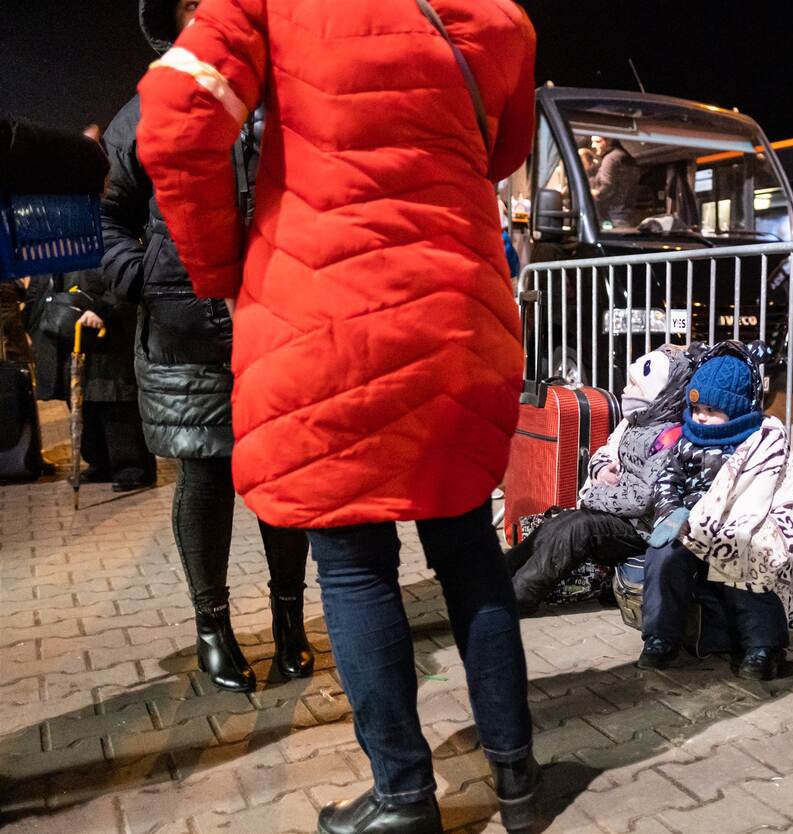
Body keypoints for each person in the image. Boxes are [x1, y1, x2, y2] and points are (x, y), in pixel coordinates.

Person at [133, 1, 538, 832]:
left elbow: (176, 119)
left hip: (328, 319)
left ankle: (404, 797)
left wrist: (221, 269)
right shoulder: (500, 18)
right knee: (468, 549)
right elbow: (503, 151)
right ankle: (518, 778)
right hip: (461, 316)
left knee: (355, 566)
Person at [99, 0, 312, 695]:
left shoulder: (281, 96)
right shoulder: (143, 109)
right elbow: (109, 218)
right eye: (193, 2)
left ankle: (289, 621)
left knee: (282, 475)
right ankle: (212, 629)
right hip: (185, 328)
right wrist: (147, 280)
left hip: (276, 318)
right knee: (206, 475)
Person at [639, 342, 793, 681]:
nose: (700, 416)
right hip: (691, 523)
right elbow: (667, 481)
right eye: (696, 407)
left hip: (737, 522)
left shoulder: (756, 443)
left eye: (712, 410)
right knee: (662, 557)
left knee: (746, 557)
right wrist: (671, 511)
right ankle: (660, 637)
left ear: (737, 408)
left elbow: (768, 488)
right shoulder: (687, 441)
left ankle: (764, 646)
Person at [507, 345, 696, 613]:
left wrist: (593, 496)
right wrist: (601, 469)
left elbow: (642, 499)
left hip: (642, 527)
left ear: (658, 394)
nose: (625, 390)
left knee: (579, 529)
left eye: (634, 386)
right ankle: (499, 575)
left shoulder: (668, 437)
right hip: (619, 512)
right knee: (558, 522)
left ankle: (518, 597)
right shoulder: (638, 420)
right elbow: (606, 450)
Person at [23, 269, 155, 490]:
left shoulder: (104, 247)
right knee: (81, 399)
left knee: (112, 397)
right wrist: (31, 316)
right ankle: (99, 463)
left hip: (108, 330)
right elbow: (38, 289)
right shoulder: (49, 253)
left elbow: (126, 278)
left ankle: (132, 467)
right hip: (64, 330)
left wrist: (103, 308)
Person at [590, 136, 641, 227]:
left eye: (597, 141)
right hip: (626, 216)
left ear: (609, 141)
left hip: (612, 218)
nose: (593, 145)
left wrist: (592, 193)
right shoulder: (627, 157)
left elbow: (607, 186)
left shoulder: (611, 159)